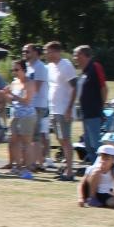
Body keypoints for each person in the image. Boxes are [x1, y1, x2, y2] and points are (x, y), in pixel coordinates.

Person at [46, 41, 78, 180]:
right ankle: (66, 168)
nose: (46, 54)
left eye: (48, 51)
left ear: (56, 51)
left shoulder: (66, 65)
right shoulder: (51, 66)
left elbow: (75, 87)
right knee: (60, 139)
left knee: (66, 139)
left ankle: (70, 172)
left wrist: (70, 108)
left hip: (64, 109)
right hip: (54, 109)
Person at [2, 59, 38, 178]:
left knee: (27, 142)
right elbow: (11, 100)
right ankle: (17, 166)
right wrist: (5, 94)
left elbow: (27, 101)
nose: (15, 72)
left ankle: (27, 168)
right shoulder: (14, 82)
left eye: (17, 69)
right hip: (16, 115)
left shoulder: (29, 83)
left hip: (27, 115)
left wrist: (12, 94)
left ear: (24, 69)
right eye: (13, 70)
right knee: (14, 141)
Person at [74, 45, 108, 158]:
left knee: (96, 143)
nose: (75, 58)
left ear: (84, 55)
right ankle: (94, 167)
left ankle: (102, 169)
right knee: (88, 144)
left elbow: (104, 88)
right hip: (85, 113)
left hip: (94, 112)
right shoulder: (84, 71)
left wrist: (100, 107)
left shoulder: (95, 67)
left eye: (77, 55)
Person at [23, 44, 50, 172]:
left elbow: (37, 88)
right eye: (23, 51)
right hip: (29, 104)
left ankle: (35, 163)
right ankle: (34, 161)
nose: (24, 53)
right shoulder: (28, 67)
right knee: (31, 134)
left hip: (38, 105)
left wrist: (23, 95)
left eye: (27, 51)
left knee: (35, 135)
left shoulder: (40, 67)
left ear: (35, 52)